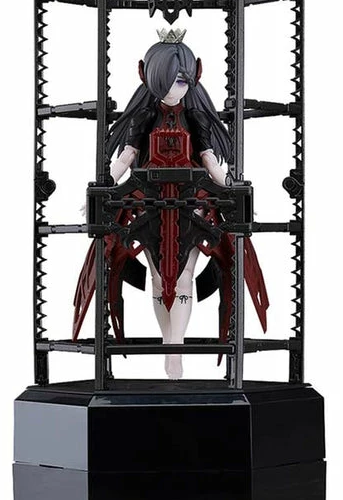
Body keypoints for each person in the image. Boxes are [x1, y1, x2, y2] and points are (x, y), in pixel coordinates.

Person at [73, 29, 268, 379]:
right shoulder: (143, 117)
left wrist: (232, 188)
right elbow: (126, 157)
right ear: (144, 75)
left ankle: (174, 348)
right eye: (162, 81)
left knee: (183, 279)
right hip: (148, 208)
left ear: (195, 75)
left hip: (190, 208)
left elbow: (209, 160)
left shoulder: (197, 118)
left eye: (179, 81)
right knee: (159, 279)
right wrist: (103, 188)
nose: (171, 90)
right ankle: (170, 345)